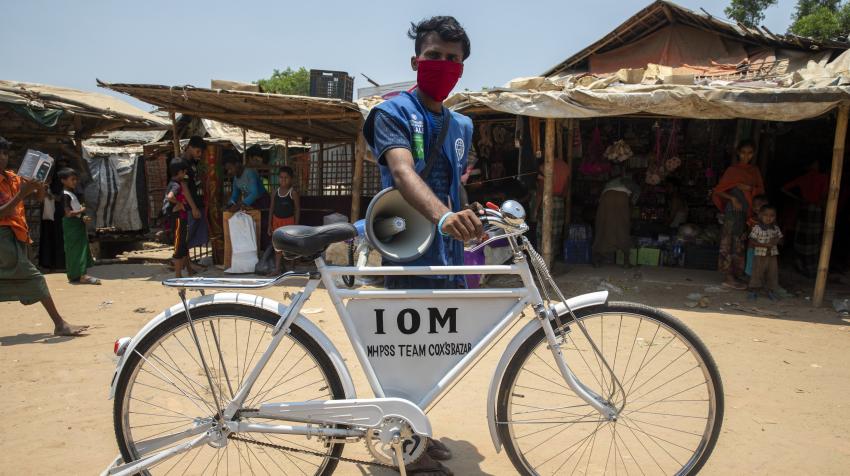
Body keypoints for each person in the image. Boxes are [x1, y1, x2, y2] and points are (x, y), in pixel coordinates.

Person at [362, 15, 481, 475]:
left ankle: (419, 433)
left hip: (447, 249)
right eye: (434, 56)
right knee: (404, 348)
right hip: (404, 244)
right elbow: (402, 171)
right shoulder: (391, 112)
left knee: (438, 346)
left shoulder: (463, 126)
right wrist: (445, 216)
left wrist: (471, 220)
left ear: (462, 68)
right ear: (416, 60)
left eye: (452, 59)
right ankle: (404, 444)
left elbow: (455, 185)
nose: (442, 64)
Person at [0, 136, 87, 336]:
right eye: (1, 153)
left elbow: (38, 198)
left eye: (5, 153)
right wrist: (22, 194)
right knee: (35, 277)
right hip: (3, 238)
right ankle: (60, 324)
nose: (3, 158)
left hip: (17, 236)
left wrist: (39, 188)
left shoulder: (12, 178)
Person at [712, 140, 765, 290]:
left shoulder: (754, 171)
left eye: (749, 153)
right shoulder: (732, 170)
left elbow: (760, 192)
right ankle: (728, 277)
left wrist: (749, 188)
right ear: (738, 153)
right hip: (733, 212)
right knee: (729, 244)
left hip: (746, 212)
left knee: (740, 244)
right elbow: (718, 191)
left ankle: (735, 275)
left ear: (753, 154)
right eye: (743, 152)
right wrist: (733, 197)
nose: (746, 156)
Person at [782, 160, 829, 277]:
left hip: (804, 208)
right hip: (816, 210)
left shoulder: (803, 178)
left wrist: (799, 199)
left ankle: (801, 265)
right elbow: (824, 196)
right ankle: (811, 268)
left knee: (802, 239)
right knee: (813, 240)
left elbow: (783, 188)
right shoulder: (823, 177)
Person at [58, 168, 99, 285]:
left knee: (74, 250)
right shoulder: (66, 195)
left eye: (76, 179)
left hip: (76, 224)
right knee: (78, 250)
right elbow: (68, 213)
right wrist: (82, 210)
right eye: (72, 179)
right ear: (63, 181)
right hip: (72, 226)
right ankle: (82, 275)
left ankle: (75, 275)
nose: (75, 182)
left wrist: (82, 216)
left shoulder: (71, 193)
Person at [592, 172, 640, 268]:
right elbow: (632, 203)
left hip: (606, 197)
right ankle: (626, 262)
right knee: (623, 227)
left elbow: (600, 195)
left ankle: (596, 260)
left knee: (603, 226)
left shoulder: (612, 182)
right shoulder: (636, 187)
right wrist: (629, 217)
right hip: (622, 198)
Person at [224, 152, 272, 248]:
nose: (229, 172)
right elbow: (234, 195)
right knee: (254, 227)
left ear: (237, 164)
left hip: (263, 201)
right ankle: (259, 251)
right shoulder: (236, 179)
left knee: (264, 227)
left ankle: (269, 251)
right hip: (250, 203)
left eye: (230, 168)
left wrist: (239, 205)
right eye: (228, 170)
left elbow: (255, 193)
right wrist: (228, 205)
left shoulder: (250, 173)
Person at [178, 136, 207, 271]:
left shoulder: (192, 163)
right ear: (190, 147)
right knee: (186, 236)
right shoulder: (182, 163)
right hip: (188, 206)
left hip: (195, 203)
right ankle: (185, 264)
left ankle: (188, 263)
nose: (199, 155)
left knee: (190, 235)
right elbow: (184, 187)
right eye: (198, 151)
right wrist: (194, 208)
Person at [534, 154, 570, 251]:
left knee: (542, 232)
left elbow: (540, 191)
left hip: (547, 201)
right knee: (555, 232)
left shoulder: (544, 167)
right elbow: (565, 190)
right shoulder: (565, 166)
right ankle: (552, 257)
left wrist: (536, 210)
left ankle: (543, 260)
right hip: (559, 202)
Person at [748, 205, 783, 301]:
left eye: (772, 215)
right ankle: (753, 291)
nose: (769, 218)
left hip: (772, 255)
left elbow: (781, 239)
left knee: (772, 273)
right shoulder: (757, 228)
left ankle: (770, 291)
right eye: (766, 215)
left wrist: (776, 241)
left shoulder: (775, 228)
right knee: (757, 273)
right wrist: (764, 245)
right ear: (760, 216)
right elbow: (751, 241)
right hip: (759, 255)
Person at [268, 166, 300, 274]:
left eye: (286, 178)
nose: (283, 180)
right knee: (277, 246)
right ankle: (277, 269)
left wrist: (296, 225)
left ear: (291, 179)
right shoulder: (275, 192)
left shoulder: (293, 193)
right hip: (276, 221)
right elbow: (271, 208)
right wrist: (269, 224)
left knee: (291, 245)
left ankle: (291, 266)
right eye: (281, 177)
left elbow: (297, 209)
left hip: (289, 222)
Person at [164, 159, 191, 278]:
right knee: (179, 246)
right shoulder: (175, 185)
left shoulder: (172, 183)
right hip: (178, 219)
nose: (185, 174)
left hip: (180, 218)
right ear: (180, 172)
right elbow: (170, 197)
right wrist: (179, 203)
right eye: (184, 172)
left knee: (183, 245)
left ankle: (187, 271)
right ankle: (178, 275)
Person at [744, 194, 769, 278]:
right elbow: (748, 231)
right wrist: (745, 235)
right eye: (754, 205)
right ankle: (752, 283)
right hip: (751, 247)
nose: (756, 207)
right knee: (751, 265)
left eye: (759, 205)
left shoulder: (769, 220)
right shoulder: (752, 219)